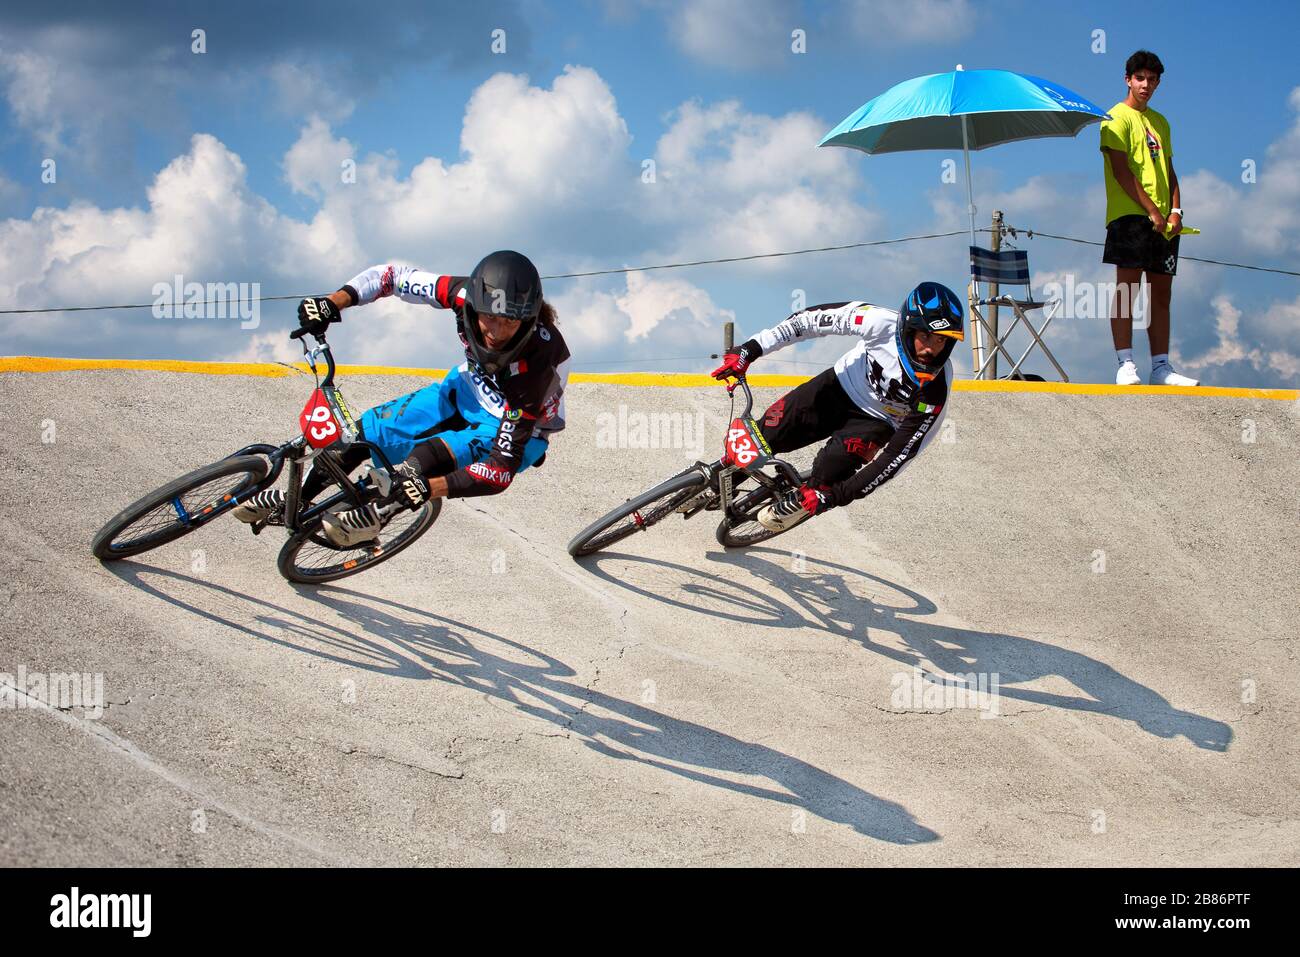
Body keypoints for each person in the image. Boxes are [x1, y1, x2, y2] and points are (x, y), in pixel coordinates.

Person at [234, 250, 570, 547]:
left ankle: (380, 512)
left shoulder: (538, 362)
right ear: (474, 304)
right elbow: (392, 277)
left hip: (513, 426)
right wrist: (333, 302)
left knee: (423, 461)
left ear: (527, 317)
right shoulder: (462, 293)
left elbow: (499, 471)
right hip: (464, 391)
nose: (496, 332)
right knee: (361, 434)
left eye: (509, 322)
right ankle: (298, 499)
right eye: (489, 318)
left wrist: (430, 488)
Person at [711, 282, 963, 532]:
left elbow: (896, 458)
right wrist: (750, 350)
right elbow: (807, 322)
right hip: (837, 388)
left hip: (876, 423)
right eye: (925, 336)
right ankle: (718, 480)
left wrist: (833, 497)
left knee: (824, 481)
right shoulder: (878, 322)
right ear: (908, 328)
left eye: (941, 340)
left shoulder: (936, 390)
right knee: (765, 436)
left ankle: (803, 497)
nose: (930, 348)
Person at [1100, 49, 1198, 387]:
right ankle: (1125, 362)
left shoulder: (1161, 121)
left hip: (1163, 222)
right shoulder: (1114, 117)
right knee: (1128, 290)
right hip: (1129, 215)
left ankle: (1161, 367)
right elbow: (1120, 170)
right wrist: (1152, 210)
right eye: (1140, 78)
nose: (1146, 84)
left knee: (1161, 294)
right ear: (1128, 79)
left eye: (1152, 79)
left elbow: (1169, 169)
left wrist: (1175, 210)